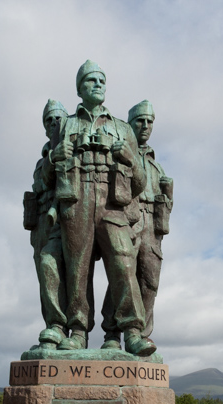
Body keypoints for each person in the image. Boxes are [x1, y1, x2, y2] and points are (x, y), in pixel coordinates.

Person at [49, 60, 155, 356]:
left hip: (112, 204)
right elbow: (48, 172)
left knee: (124, 263)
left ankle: (132, 331)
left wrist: (132, 160)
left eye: (102, 81)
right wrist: (56, 156)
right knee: (77, 269)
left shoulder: (122, 128)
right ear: (79, 88)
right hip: (77, 199)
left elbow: (141, 182)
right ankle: (78, 331)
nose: (98, 85)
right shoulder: (67, 124)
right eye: (91, 81)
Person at [100, 100, 172, 349]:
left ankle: (142, 333)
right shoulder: (118, 150)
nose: (145, 125)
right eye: (140, 120)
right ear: (129, 124)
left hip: (153, 222)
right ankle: (112, 333)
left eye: (150, 121)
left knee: (150, 281)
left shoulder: (155, 164)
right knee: (123, 273)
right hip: (128, 216)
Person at [23, 99, 69, 348]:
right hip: (42, 222)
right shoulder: (42, 161)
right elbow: (40, 184)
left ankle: (70, 329)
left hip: (68, 218)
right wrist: (53, 159)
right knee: (46, 275)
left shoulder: (75, 149)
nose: (53, 123)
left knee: (70, 275)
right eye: (48, 120)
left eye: (58, 118)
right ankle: (54, 327)